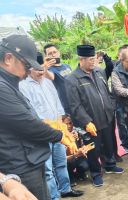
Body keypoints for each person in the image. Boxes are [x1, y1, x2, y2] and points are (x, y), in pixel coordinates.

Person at [0, 34, 70, 199]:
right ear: (9, 58)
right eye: (26, 65)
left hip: (30, 158)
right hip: (20, 165)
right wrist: (60, 136)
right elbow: (27, 123)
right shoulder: (2, 87)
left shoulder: (10, 84)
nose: (27, 71)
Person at [19, 66, 83, 199]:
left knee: (61, 163)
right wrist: (51, 127)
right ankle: (54, 196)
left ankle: (65, 189)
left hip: (58, 130)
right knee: (47, 170)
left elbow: (58, 104)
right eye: (37, 70)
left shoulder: (48, 82)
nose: (41, 72)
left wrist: (60, 124)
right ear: (29, 69)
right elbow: (32, 113)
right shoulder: (23, 86)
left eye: (42, 69)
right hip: (42, 133)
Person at [66, 45, 124, 187]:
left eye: (94, 59)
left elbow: (106, 91)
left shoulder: (99, 72)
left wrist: (110, 107)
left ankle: (110, 165)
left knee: (109, 144)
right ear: (81, 59)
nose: (93, 62)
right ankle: (96, 173)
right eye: (91, 59)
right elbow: (75, 105)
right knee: (93, 149)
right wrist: (86, 121)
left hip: (107, 116)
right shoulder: (72, 79)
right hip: (91, 122)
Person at [44, 44, 72, 114]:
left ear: (58, 53)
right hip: (66, 105)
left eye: (54, 52)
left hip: (76, 100)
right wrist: (45, 68)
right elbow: (51, 77)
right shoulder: (50, 70)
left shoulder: (67, 66)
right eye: (50, 54)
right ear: (46, 56)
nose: (53, 55)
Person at [62, 115, 89, 186]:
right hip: (66, 159)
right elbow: (62, 158)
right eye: (66, 124)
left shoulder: (76, 131)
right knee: (64, 164)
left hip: (76, 157)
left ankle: (79, 174)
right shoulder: (59, 136)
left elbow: (83, 145)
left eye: (70, 123)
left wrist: (82, 147)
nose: (68, 126)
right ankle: (70, 178)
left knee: (85, 165)